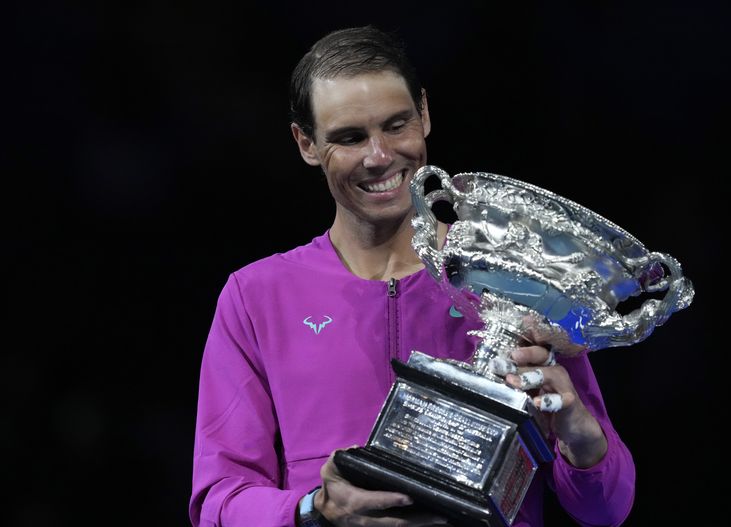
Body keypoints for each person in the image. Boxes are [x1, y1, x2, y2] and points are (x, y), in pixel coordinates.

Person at [189, 25, 635, 527]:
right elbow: (219, 503)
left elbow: (606, 509)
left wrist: (582, 439)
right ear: (306, 143)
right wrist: (314, 510)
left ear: (424, 113)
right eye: (350, 137)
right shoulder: (256, 297)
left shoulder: (514, 279)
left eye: (396, 125)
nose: (380, 156)